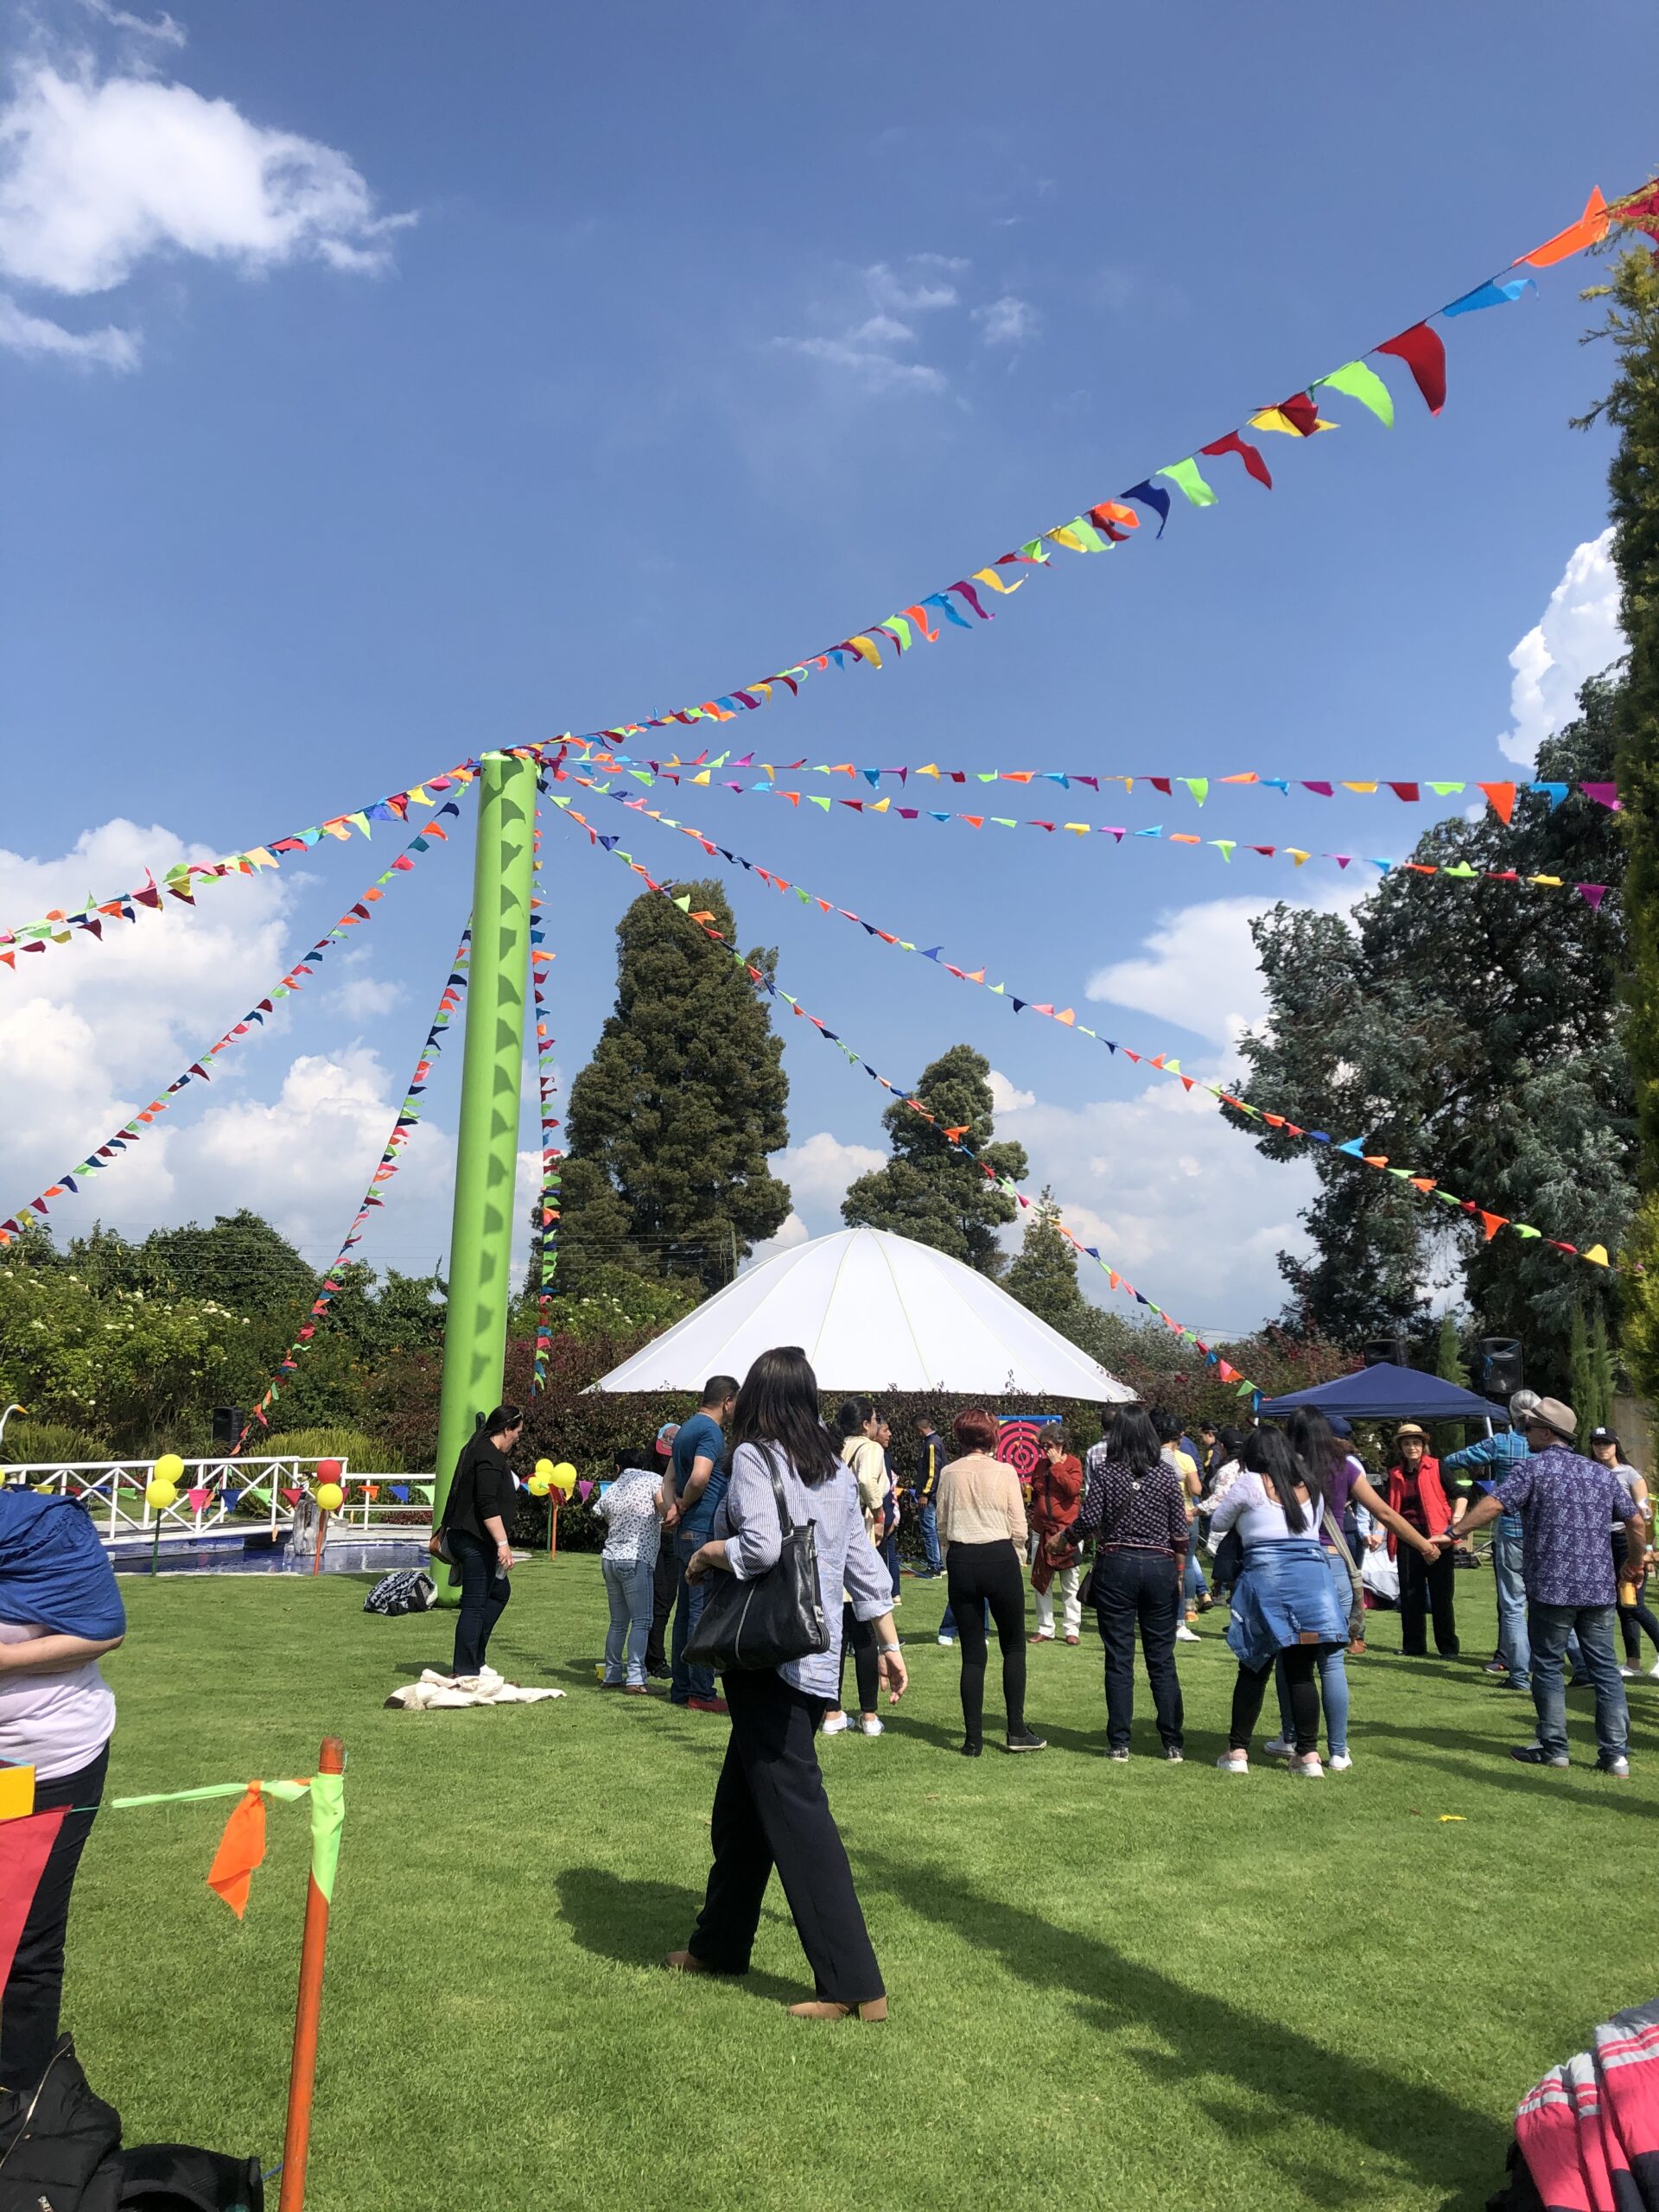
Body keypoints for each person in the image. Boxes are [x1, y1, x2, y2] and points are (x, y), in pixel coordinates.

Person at [667, 1346, 906, 2021]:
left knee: (800, 1819)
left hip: (766, 1659)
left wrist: (705, 1555)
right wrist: (887, 1644)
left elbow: (760, 1549)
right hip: (814, 1659)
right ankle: (719, 1945)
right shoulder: (832, 1468)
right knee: (742, 1813)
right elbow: (862, 1562)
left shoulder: (753, 1458)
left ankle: (855, 1985)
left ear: (756, 1399)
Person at [0, 1484, 126, 2092]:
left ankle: (17, 2117)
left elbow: (102, 1631)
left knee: (25, 1945)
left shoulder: (44, 1528)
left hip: (42, 1764)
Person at [1454, 1397, 1638, 1776]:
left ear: (1544, 1432)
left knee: (1549, 1667)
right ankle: (1616, 1755)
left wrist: (1454, 1532)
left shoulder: (1533, 1470)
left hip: (1552, 1587)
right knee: (1605, 1669)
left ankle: (1555, 1747)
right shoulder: (1600, 1474)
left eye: (1528, 1428)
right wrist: (1635, 1563)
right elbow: (1636, 1523)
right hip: (1599, 1588)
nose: (1524, 1435)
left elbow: (1493, 1505)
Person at [1267, 1410, 1445, 1770]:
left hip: (1293, 1564)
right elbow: (1385, 1512)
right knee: (1331, 1661)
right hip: (1335, 1561)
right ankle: (1339, 1751)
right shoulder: (1345, 1466)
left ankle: (1292, 1737)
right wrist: (1424, 1544)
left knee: (1290, 1659)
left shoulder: (1281, 1466)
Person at [1211, 1429, 1349, 1777]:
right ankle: (1308, 1755)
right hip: (1312, 1579)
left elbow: (1218, 1521)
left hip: (1267, 1578)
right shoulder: (1312, 1486)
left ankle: (1238, 1751)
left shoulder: (1249, 1482)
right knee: (1301, 1671)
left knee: (1254, 1665)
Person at [1073, 1407, 1186, 1762]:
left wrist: (1065, 1538)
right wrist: (1179, 1571)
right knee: (1161, 1658)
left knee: (1119, 1657)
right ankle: (1172, 1742)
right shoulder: (1167, 1474)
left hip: (1117, 1564)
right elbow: (1180, 1532)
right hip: (1159, 1566)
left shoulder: (1107, 1473)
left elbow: (1089, 1518)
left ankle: (1120, 1742)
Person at [937, 1409, 1046, 1755]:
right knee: (1013, 1646)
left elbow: (941, 1524)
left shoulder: (949, 1473)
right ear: (992, 1436)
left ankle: (973, 1739)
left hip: (962, 1558)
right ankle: (1015, 1730)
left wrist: (947, 1557)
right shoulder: (1005, 1471)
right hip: (999, 1556)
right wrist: (1019, 1556)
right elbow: (1018, 1523)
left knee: (972, 1654)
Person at [1442, 1391, 1541, 1689]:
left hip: (1510, 1531)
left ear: (1512, 1414)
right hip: (1542, 1533)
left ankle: (1519, 1674)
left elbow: (1451, 1460)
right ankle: (1579, 1666)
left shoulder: (1501, 1443)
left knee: (1512, 1605)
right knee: (1547, 1602)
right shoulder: (1547, 1448)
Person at [664, 1376, 740, 1715]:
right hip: (704, 1529)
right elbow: (698, 1477)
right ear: (727, 1401)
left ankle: (680, 1688)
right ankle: (700, 1691)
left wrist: (671, 1508)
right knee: (701, 1611)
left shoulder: (684, 1430)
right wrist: (682, 1505)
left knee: (684, 1613)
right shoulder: (710, 1432)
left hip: (685, 1532)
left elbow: (669, 1478)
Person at [438, 1404, 522, 1676]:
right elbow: (486, 1503)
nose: (518, 1437)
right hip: (475, 1541)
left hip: (474, 1539)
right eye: (517, 1432)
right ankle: (465, 1668)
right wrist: (503, 1544)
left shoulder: (478, 1449)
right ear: (506, 1429)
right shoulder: (487, 1456)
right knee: (474, 1603)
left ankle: (476, 1658)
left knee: (499, 1592)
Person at [1385, 1423, 1462, 1658]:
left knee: (1441, 1595)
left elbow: (1460, 1493)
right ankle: (1414, 1646)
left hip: (1437, 1538)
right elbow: (1387, 1507)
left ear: (1423, 1445)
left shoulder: (1438, 1467)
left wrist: (1456, 1522)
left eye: (1416, 1443)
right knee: (1410, 1595)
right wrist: (1379, 1533)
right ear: (1401, 1447)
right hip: (1408, 1538)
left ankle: (1448, 1647)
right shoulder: (1395, 1473)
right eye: (1407, 1443)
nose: (1412, 1447)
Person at [1587, 1427, 1659, 1677]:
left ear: (1616, 1445)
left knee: (1635, 1604)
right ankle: (1633, 1664)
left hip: (1626, 1541)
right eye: (1597, 1443)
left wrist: (1647, 1549)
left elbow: (1646, 1515)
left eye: (1606, 1443)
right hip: (1600, 1541)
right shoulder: (1590, 1472)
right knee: (1622, 1605)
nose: (1601, 1448)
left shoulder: (1630, 1475)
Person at [596, 1447, 666, 1694]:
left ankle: (613, 1674)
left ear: (618, 1468)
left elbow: (607, 1518)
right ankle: (636, 1678)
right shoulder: (653, 1480)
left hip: (610, 1558)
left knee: (618, 1622)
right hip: (637, 1558)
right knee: (642, 1621)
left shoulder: (612, 1489)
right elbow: (663, 1508)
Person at [1153, 1409, 1206, 1639]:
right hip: (1186, 1515)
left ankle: (1161, 1615)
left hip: (1159, 1518)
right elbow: (1196, 1490)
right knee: (1185, 1566)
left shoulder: (1151, 1457)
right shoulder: (1184, 1459)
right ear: (1179, 1436)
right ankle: (1185, 1613)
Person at [1027, 1433, 1084, 1645]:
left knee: (1070, 1582)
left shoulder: (1074, 1463)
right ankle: (1045, 1628)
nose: (1045, 1450)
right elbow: (1037, 1490)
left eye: (1048, 1445)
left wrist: (1057, 1465)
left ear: (1060, 1444)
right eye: (1042, 1446)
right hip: (1041, 1531)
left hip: (1067, 1531)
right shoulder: (1040, 1466)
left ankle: (1072, 1629)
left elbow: (1072, 1489)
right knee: (1042, 1581)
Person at [643, 1421, 681, 1680]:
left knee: (667, 1601)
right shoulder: (647, 1475)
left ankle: (655, 1657)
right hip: (653, 1540)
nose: (665, 1459)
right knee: (657, 1601)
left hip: (673, 1541)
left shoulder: (682, 1472)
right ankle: (653, 1659)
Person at [912, 1415, 945, 1579]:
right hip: (934, 1494)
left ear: (920, 1429)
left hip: (930, 1496)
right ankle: (938, 1563)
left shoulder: (931, 1444)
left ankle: (934, 1566)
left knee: (929, 1529)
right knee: (934, 1529)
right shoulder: (935, 1441)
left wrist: (925, 1493)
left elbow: (933, 1471)